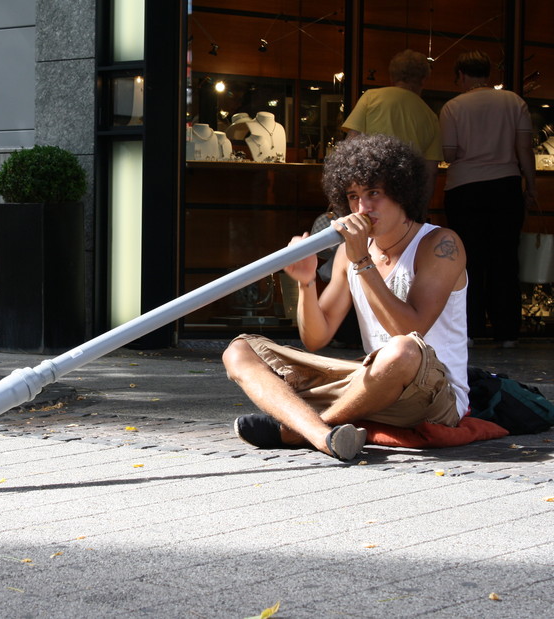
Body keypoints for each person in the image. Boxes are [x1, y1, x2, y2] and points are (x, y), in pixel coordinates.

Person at [222, 134, 468, 461]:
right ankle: (326, 437)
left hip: (432, 394)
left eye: (374, 194)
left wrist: (361, 262)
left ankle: (301, 430)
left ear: (401, 192)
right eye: (353, 196)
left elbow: (411, 330)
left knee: (402, 350)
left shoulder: (440, 244)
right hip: (373, 385)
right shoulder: (347, 254)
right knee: (239, 352)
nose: (362, 208)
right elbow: (316, 337)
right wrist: (307, 283)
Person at [439, 51, 538, 348]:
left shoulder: (453, 107)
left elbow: (450, 153)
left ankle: (468, 331)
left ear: (461, 75)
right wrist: (530, 186)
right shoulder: (514, 102)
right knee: (505, 259)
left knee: (468, 261)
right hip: (506, 187)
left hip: (465, 189)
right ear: (488, 74)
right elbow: (524, 149)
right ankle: (507, 332)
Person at [342, 49, 444, 212]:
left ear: (392, 76)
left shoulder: (371, 98)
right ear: (423, 80)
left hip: (369, 192)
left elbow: (351, 145)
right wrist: (421, 210)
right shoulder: (430, 116)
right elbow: (430, 172)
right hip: (405, 198)